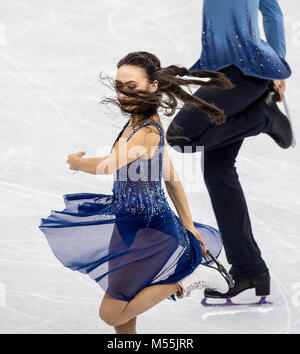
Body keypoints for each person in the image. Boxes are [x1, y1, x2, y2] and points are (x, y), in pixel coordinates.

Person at [39, 51, 235, 334]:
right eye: (119, 86)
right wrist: (190, 226)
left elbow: (108, 165)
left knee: (110, 312)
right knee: (122, 319)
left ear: (152, 86)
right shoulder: (136, 121)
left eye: (132, 87)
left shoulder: (148, 131)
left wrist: (77, 162)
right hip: (126, 223)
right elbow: (171, 178)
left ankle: (186, 280)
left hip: (150, 228)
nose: (123, 94)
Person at [166, 0, 294, 300]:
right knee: (218, 170)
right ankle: (250, 270)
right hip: (226, 71)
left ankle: (262, 118)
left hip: (246, 69)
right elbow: (270, 7)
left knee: (182, 136)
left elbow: (271, 8)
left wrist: (277, 67)